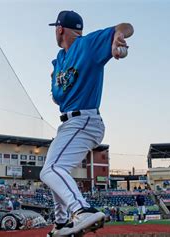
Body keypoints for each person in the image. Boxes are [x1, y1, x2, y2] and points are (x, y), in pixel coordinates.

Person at [40, 10, 133, 237]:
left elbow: (126, 25)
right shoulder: (60, 59)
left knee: (52, 170)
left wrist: (119, 36)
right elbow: (58, 94)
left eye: (56, 28)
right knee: (53, 168)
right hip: (70, 122)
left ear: (60, 29)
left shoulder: (87, 45)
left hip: (84, 120)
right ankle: (62, 222)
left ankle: (82, 210)